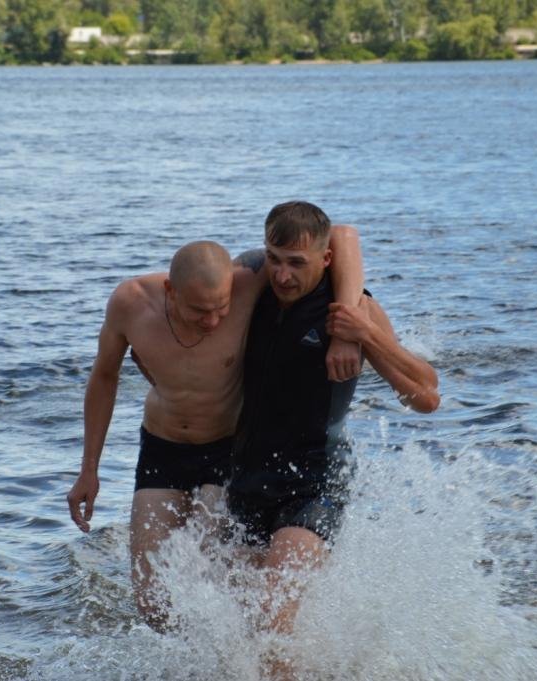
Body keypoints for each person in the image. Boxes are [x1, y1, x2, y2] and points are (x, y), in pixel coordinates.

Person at [66, 229, 365, 631]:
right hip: (163, 449)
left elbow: (339, 237)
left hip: (230, 452)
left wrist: (345, 328)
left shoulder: (249, 279)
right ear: (171, 290)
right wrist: (89, 470)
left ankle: (258, 656)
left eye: (221, 309)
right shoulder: (129, 303)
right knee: (152, 604)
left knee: (218, 580)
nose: (212, 321)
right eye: (199, 311)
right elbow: (103, 378)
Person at [225, 201, 439, 673]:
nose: (281, 275)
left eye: (296, 263)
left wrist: (363, 334)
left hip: (316, 477)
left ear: (325, 260)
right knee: (242, 632)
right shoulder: (251, 289)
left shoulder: (353, 307)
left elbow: (426, 397)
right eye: (275, 259)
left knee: (272, 617)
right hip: (245, 477)